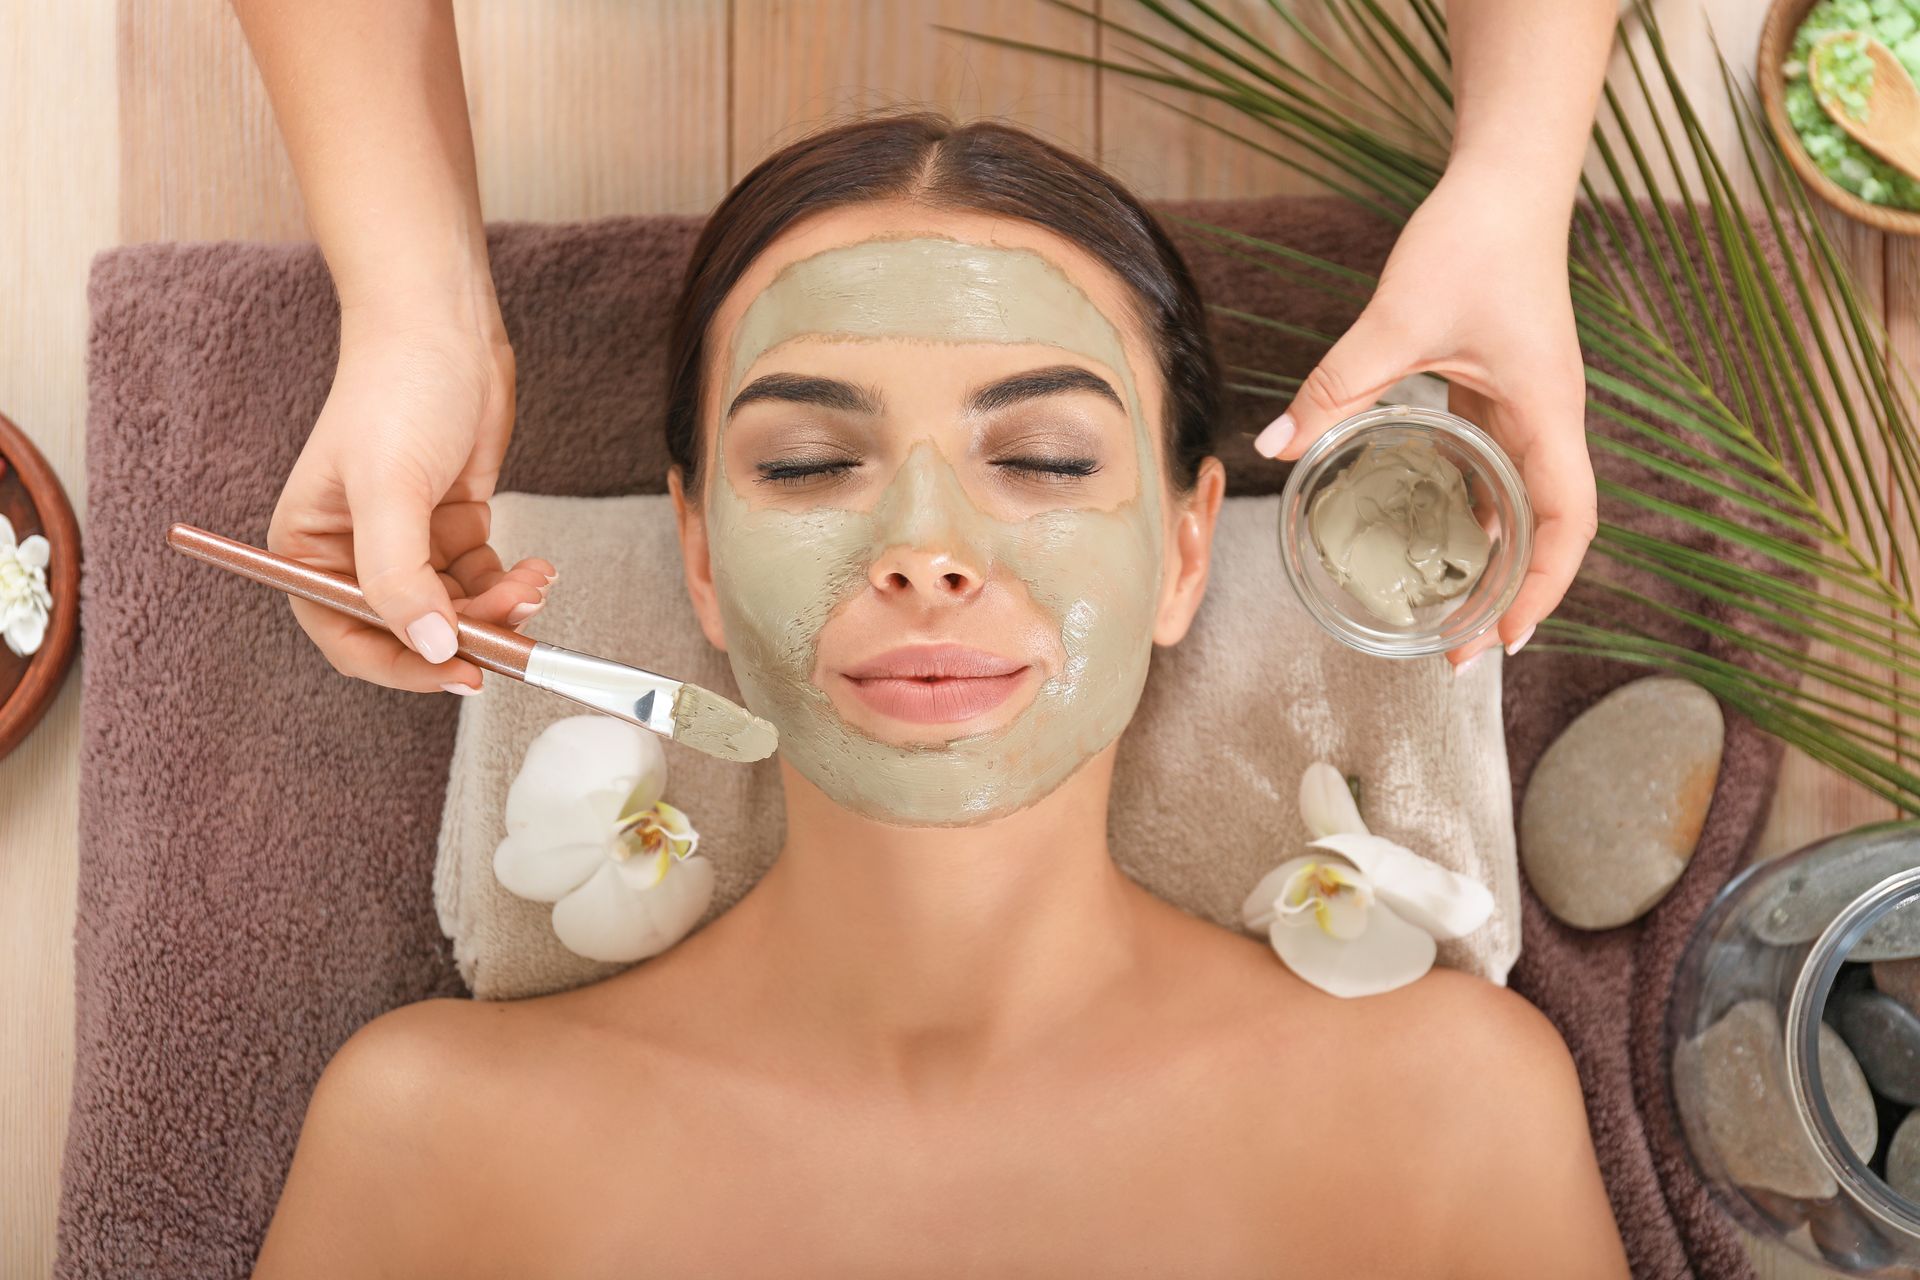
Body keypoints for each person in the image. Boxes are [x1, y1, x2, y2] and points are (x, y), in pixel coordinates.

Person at [236, 6, 1629, 1277]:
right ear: (701, 554)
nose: (923, 545)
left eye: (1041, 456)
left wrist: (1514, 193)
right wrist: (417, 319)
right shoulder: (432, 1146)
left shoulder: (1450, 1119)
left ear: (1189, 546)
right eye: (802, 464)